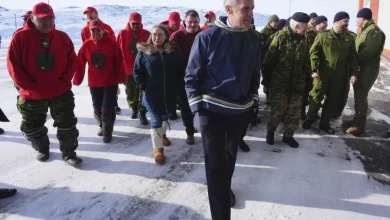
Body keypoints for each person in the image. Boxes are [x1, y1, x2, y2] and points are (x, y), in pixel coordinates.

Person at [185, 0, 261, 218]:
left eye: (252, 8)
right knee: (216, 165)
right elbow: (192, 75)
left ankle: (224, 188)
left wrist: (253, 98)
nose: (250, 14)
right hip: (213, 111)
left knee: (229, 158)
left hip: (240, 111)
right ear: (229, 9)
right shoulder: (207, 37)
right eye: (245, 9)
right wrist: (197, 107)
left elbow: (255, 72)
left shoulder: (254, 37)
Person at [7, 2, 82, 166]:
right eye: (43, 19)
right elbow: (13, 66)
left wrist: (64, 80)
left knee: (67, 124)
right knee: (30, 126)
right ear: (32, 18)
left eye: (51, 18)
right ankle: (42, 147)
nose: (48, 22)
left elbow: (72, 60)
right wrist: (28, 86)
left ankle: (69, 153)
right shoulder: (20, 38)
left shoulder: (62, 37)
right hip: (32, 95)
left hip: (60, 92)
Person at [134, 25, 185, 164]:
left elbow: (181, 69)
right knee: (156, 119)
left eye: (160, 34)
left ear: (166, 36)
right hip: (151, 94)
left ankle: (161, 135)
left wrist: (178, 85)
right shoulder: (144, 52)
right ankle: (158, 150)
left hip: (169, 93)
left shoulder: (173, 51)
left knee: (164, 117)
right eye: (154, 34)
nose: (156, 37)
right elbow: (137, 71)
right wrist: (144, 86)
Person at [303, 11, 358, 134]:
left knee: (332, 100)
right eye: (345, 21)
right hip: (322, 74)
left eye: (348, 22)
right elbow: (314, 53)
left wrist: (353, 73)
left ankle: (324, 123)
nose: (347, 24)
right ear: (337, 21)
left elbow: (353, 57)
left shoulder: (349, 38)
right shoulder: (323, 36)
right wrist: (314, 70)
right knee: (316, 97)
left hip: (339, 76)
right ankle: (311, 118)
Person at [262, 12, 311, 148]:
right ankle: (270, 132)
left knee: (294, 113)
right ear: (296, 26)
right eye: (305, 26)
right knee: (278, 111)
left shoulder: (303, 40)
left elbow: (306, 61)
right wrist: (266, 80)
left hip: (297, 85)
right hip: (280, 84)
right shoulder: (280, 37)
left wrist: (308, 78)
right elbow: (269, 61)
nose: (307, 29)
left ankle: (288, 136)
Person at [73, 20, 125, 143]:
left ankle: (108, 131)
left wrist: (121, 77)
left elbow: (119, 61)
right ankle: (102, 126)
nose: (96, 32)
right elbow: (79, 63)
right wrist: (77, 78)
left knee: (108, 107)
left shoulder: (112, 43)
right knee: (97, 107)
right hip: (94, 82)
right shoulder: (87, 45)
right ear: (90, 31)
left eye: (98, 30)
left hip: (110, 82)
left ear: (103, 30)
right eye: (93, 30)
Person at [346, 8, 386, 135]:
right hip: (361, 69)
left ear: (362, 18)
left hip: (367, 70)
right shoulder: (365, 30)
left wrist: (353, 60)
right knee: (358, 95)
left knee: (361, 96)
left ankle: (359, 126)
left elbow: (368, 53)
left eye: (357, 18)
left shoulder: (374, 31)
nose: (356, 21)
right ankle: (356, 120)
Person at [169, 10, 202, 145]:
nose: (193, 25)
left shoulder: (203, 35)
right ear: (184, 21)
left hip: (201, 77)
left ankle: (199, 126)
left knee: (199, 105)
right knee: (185, 106)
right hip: (182, 78)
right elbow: (169, 57)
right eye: (190, 22)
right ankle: (189, 131)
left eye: (195, 22)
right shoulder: (176, 36)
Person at [117, 12, 151, 125]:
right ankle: (134, 108)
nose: (136, 26)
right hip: (128, 70)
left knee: (143, 92)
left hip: (143, 70)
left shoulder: (146, 34)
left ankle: (142, 113)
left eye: (138, 24)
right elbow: (117, 51)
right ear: (129, 22)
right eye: (134, 24)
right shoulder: (122, 34)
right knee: (130, 92)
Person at [301, 15, 328, 121]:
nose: (326, 25)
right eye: (324, 23)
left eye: (327, 23)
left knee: (315, 91)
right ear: (318, 23)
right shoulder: (309, 34)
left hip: (318, 67)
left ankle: (312, 112)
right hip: (308, 67)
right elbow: (307, 52)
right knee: (305, 90)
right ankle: (302, 111)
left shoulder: (323, 35)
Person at [260, 14, 279, 104]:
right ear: (270, 22)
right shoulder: (264, 31)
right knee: (266, 78)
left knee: (273, 78)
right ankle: (267, 95)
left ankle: (272, 96)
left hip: (274, 58)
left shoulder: (277, 30)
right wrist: (269, 43)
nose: (276, 24)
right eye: (275, 22)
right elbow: (261, 45)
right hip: (265, 58)